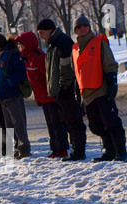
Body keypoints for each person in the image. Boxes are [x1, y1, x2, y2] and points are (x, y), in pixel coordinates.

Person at [71, 15, 127, 162]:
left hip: (101, 89)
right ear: (75, 30)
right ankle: (109, 151)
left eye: (85, 25)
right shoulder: (75, 48)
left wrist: (112, 82)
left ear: (89, 27)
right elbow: (77, 71)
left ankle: (121, 152)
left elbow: (109, 62)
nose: (83, 28)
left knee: (111, 122)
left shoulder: (99, 42)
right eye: (79, 27)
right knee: (96, 125)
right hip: (87, 93)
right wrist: (77, 91)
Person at [36, 19, 87, 161]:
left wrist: (64, 86)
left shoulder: (62, 42)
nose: (41, 36)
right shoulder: (53, 44)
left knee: (74, 120)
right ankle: (76, 150)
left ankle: (78, 151)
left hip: (67, 88)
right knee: (68, 120)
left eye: (41, 33)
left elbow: (66, 68)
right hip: (60, 89)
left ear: (49, 30)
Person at [15, 31, 69, 159]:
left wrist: (52, 93)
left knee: (56, 124)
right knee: (50, 124)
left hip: (50, 96)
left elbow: (48, 76)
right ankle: (55, 148)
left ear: (27, 44)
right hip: (42, 97)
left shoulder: (38, 57)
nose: (19, 47)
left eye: (21, 44)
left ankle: (62, 149)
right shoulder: (27, 58)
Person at [0, 32, 31, 160]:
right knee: (10, 125)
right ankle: (17, 147)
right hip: (3, 96)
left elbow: (22, 72)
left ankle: (24, 148)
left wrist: (10, 82)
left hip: (13, 94)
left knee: (19, 123)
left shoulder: (12, 55)